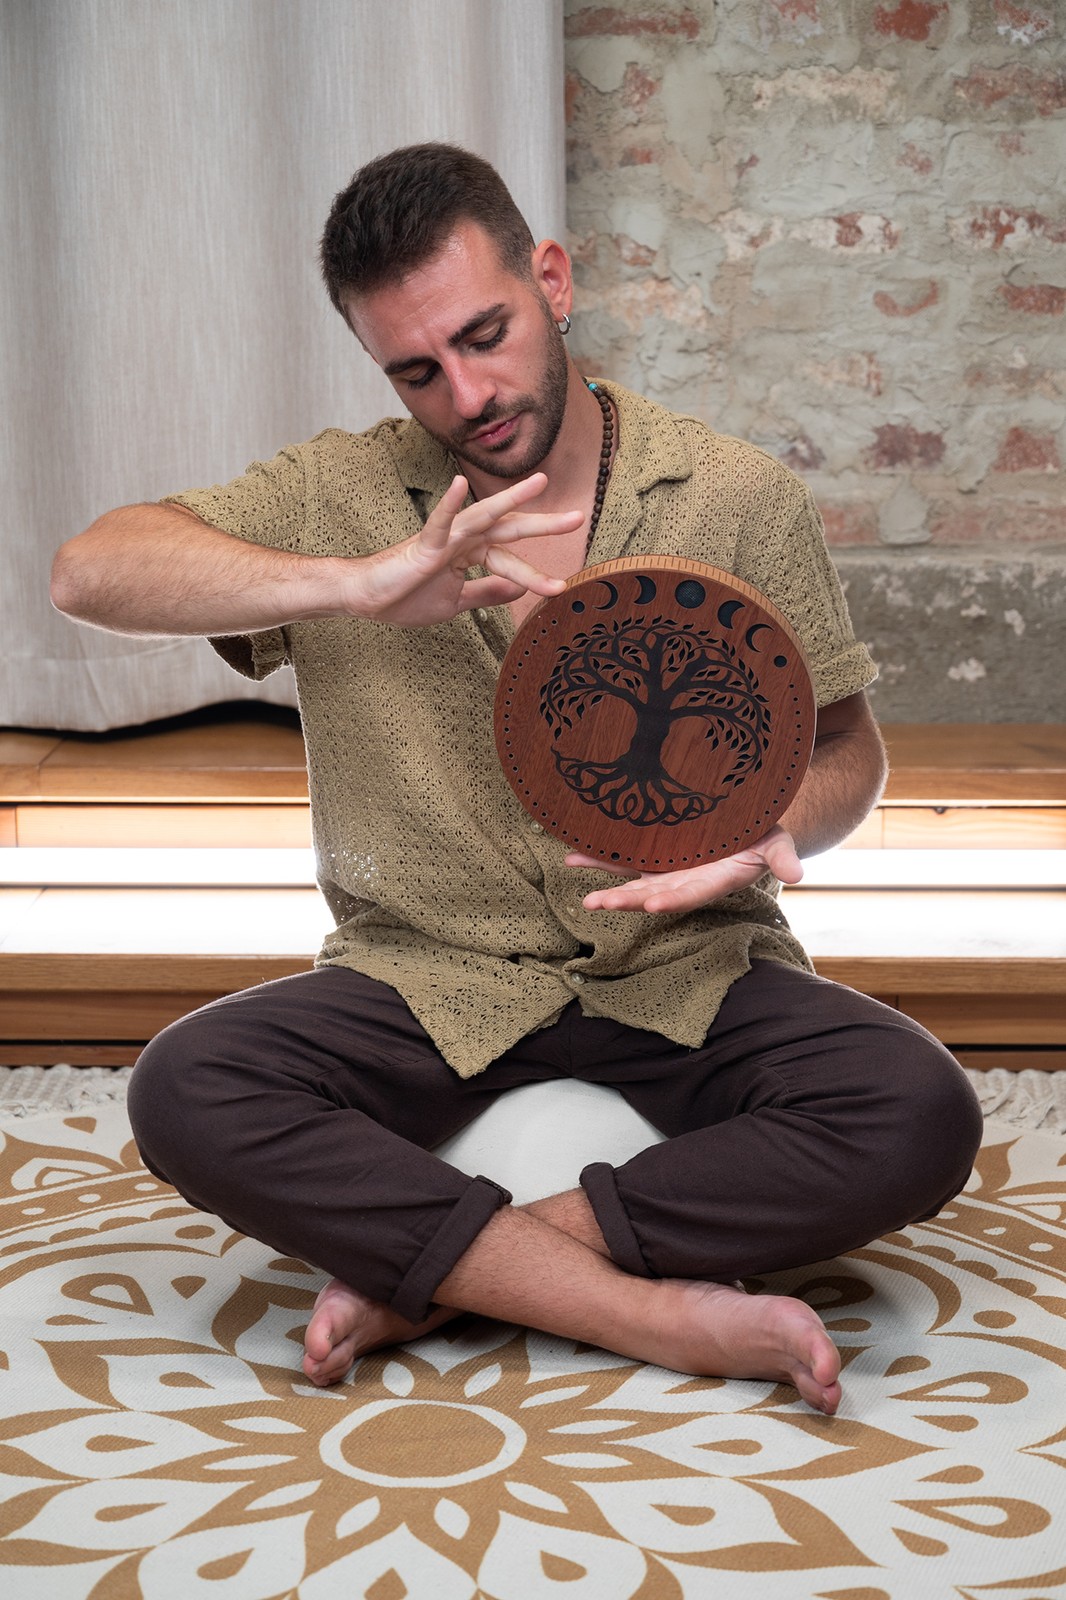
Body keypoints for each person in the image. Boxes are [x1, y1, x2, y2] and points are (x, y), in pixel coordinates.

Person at [51, 143, 983, 1416]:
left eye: (484, 336)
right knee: (185, 1087)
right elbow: (90, 569)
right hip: (423, 977)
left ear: (551, 279)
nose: (468, 393)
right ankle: (653, 1315)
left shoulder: (733, 495)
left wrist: (769, 823)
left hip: (689, 965)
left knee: (916, 1110)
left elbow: (848, 750)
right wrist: (357, 584)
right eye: (416, 370)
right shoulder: (339, 494)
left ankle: (444, 1276)